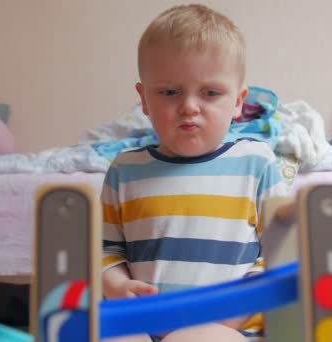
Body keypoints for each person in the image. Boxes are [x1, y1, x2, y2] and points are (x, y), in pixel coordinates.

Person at [101, 4, 287, 341]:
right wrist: (117, 286)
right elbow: (106, 251)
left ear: (237, 102)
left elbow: (280, 252)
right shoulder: (125, 171)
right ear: (144, 99)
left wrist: (241, 304)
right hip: (139, 323)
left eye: (210, 92)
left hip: (227, 328)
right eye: (169, 92)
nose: (189, 106)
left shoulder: (256, 163)